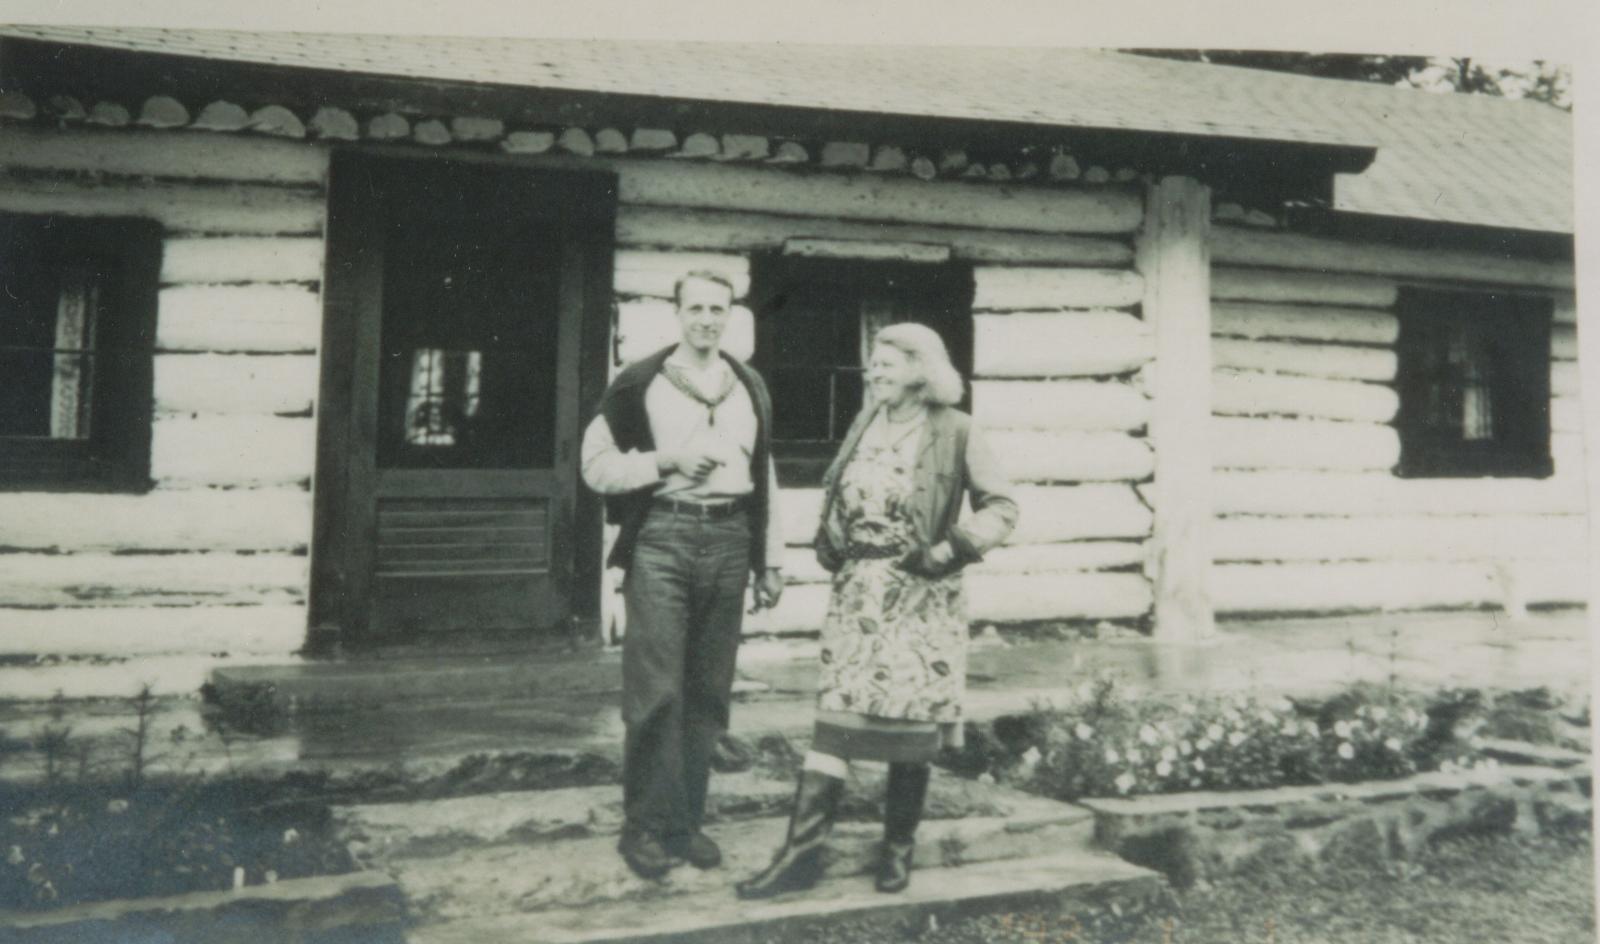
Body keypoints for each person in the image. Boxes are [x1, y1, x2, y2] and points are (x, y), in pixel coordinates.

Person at [736, 322, 1018, 899]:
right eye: (872, 364)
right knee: (835, 724)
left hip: (920, 595)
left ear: (920, 369)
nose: (874, 372)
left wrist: (952, 547)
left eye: (885, 363)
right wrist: (831, 537)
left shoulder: (956, 430)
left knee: (908, 724)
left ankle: (897, 849)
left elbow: (1003, 507)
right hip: (857, 594)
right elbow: (840, 491)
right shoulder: (865, 423)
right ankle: (802, 856)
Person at [581, 270, 785, 879]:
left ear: (731, 315)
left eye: (717, 309)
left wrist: (770, 559)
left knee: (707, 692)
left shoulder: (749, 386)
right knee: (656, 691)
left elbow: (763, 476)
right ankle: (642, 827)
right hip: (663, 540)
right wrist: (665, 461)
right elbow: (596, 467)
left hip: (730, 539)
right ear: (678, 313)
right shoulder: (640, 383)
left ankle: (685, 823)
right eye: (695, 308)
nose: (706, 319)